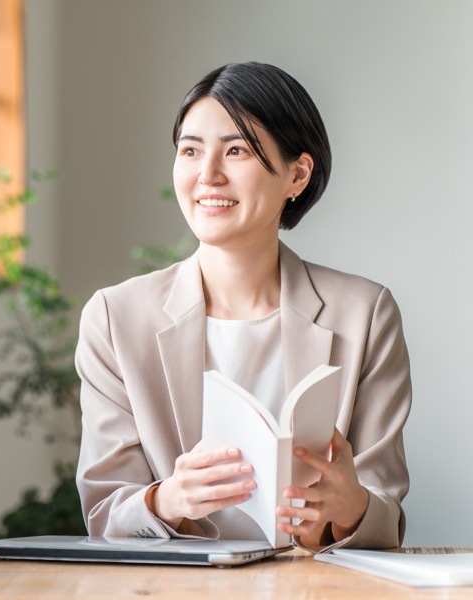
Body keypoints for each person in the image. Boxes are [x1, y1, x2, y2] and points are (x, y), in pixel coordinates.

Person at [74, 61, 411, 551]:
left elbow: (386, 513)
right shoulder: (114, 317)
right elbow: (104, 514)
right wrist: (168, 500)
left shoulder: (366, 313)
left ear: (297, 173)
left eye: (236, 151)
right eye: (190, 150)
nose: (207, 175)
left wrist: (351, 506)